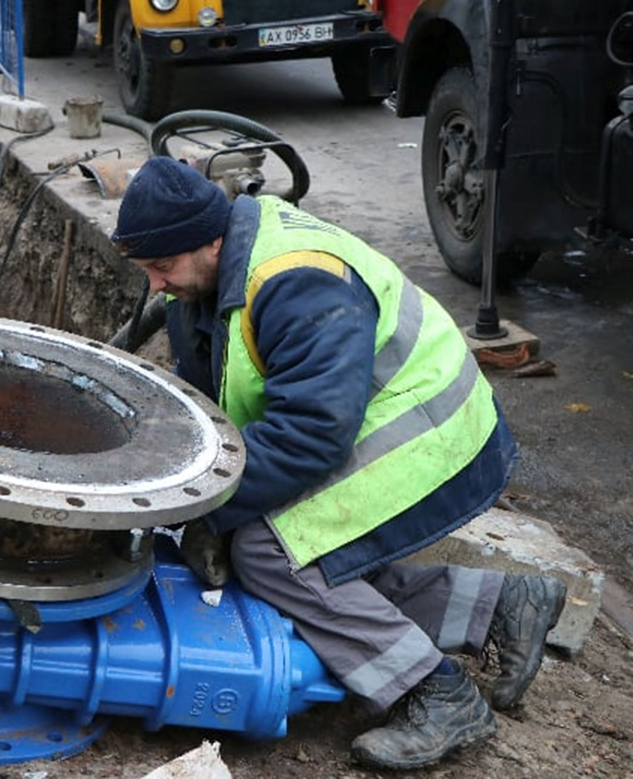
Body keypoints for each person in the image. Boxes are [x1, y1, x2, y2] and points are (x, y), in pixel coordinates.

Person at [110, 157, 567, 770]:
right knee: (308, 555)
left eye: (162, 269)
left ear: (211, 241)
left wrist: (210, 514)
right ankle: (498, 605)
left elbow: (311, 434)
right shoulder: (210, 277)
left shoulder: (295, 281)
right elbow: (208, 408)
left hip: (437, 431)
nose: (157, 286)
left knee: (273, 552)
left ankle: (433, 692)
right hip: (364, 419)